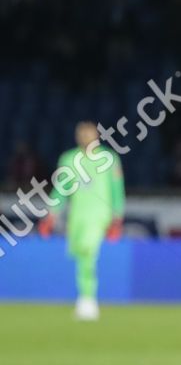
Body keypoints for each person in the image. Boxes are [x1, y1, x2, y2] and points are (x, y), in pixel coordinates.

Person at [51, 122, 124, 321]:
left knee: (88, 252)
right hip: (77, 215)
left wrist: (117, 216)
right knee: (80, 255)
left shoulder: (109, 158)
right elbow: (61, 189)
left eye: (89, 133)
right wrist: (52, 212)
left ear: (97, 135)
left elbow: (116, 189)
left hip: (99, 215)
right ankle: (84, 299)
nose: (85, 136)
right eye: (81, 133)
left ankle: (88, 300)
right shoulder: (68, 159)